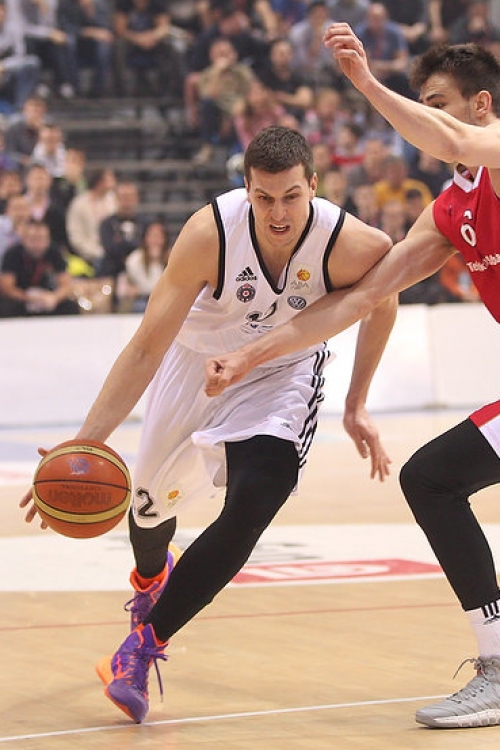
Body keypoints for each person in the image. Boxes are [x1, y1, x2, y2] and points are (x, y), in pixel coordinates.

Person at [20, 124, 395, 724]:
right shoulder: (209, 234)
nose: (278, 213)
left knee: (257, 497)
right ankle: (152, 575)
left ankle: (144, 644)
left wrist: (356, 403)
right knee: (146, 508)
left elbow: (383, 300)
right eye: (264, 198)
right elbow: (147, 346)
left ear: (313, 185)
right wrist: (85, 447)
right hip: (194, 361)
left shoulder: (350, 243)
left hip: (281, 371)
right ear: (246, 189)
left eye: (291, 196)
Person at [203, 23, 500, 730]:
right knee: (432, 479)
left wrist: (366, 83)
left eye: (435, 103)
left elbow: (452, 141)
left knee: (432, 479)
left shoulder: (493, 147)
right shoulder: (450, 210)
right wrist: (251, 355)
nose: (423, 117)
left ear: (481, 105)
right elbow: (359, 299)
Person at [0, 217, 79, 316]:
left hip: (47, 297)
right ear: (24, 239)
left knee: (70, 307)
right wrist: (28, 298)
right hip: (22, 298)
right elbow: (6, 288)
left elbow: (66, 284)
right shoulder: (13, 254)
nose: (37, 244)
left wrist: (54, 297)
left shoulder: (54, 252)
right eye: (33, 239)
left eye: (41, 239)